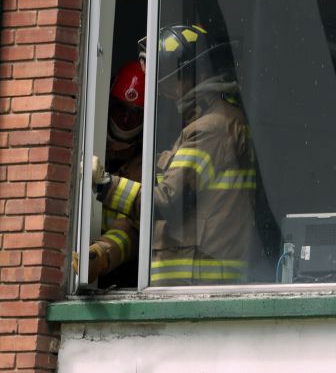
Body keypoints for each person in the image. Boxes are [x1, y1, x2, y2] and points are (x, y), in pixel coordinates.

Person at [91, 24, 256, 286]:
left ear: (196, 73)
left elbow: (169, 202)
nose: (163, 88)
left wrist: (105, 185)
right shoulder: (201, 126)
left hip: (200, 288)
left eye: (170, 77)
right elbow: (136, 225)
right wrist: (100, 254)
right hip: (184, 288)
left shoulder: (211, 128)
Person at [74, 61, 145, 284]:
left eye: (135, 113)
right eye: (121, 108)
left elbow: (132, 231)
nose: (125, 118)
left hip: (119, 276)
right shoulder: (85, 139)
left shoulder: (148, 166)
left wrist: (101, 253)